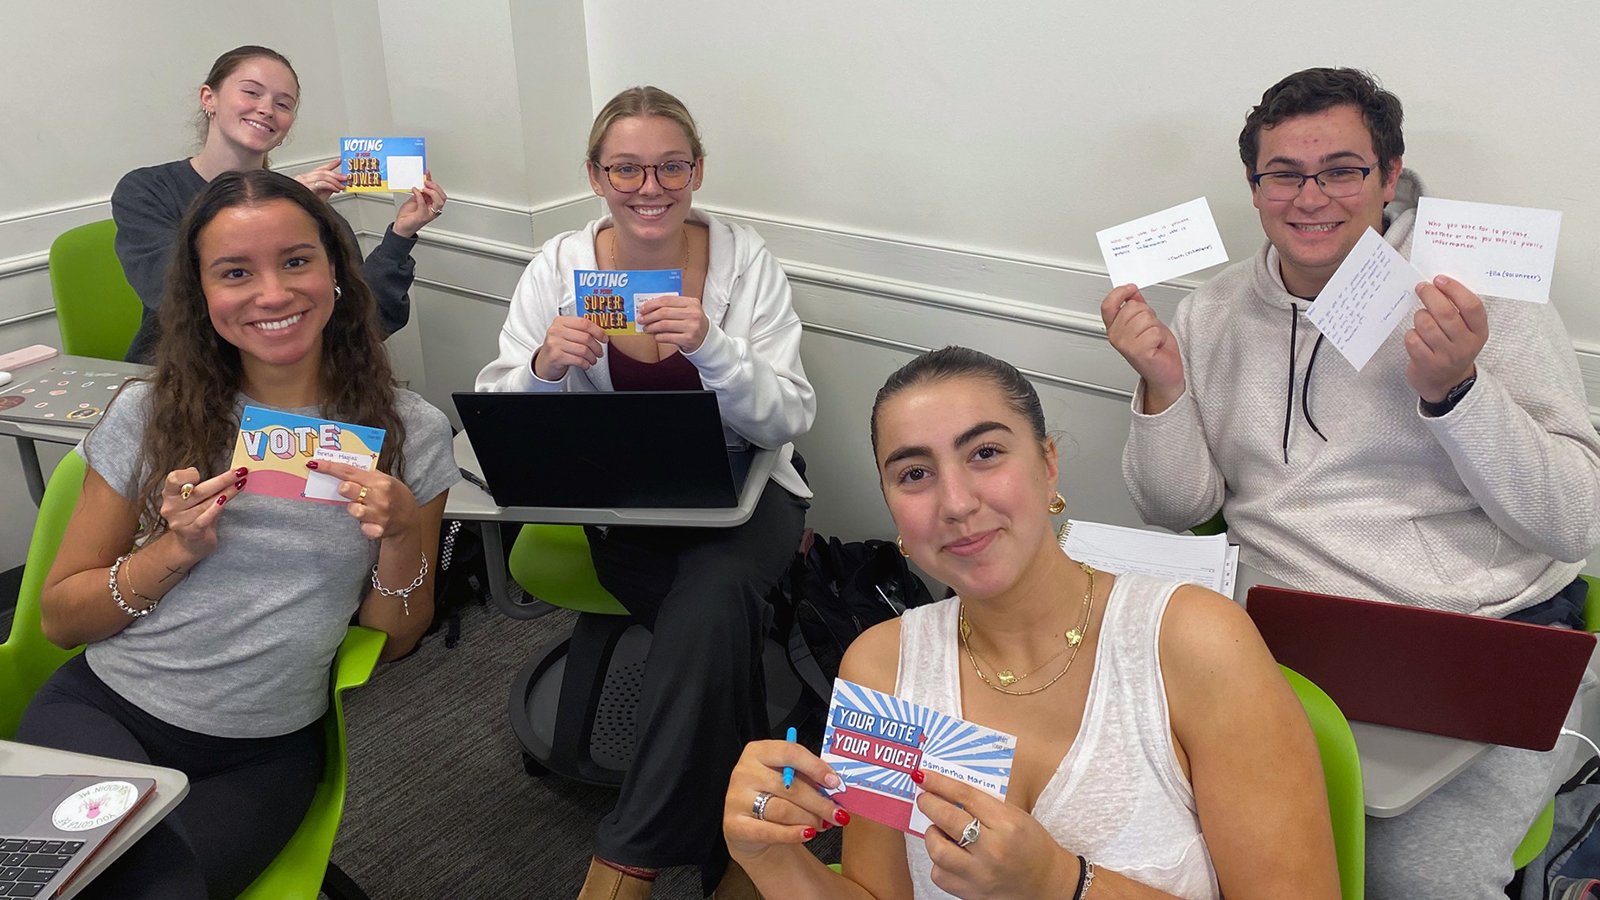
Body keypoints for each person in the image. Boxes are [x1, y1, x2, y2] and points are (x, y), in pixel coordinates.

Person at [1101, 67, 1600, 898]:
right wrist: (1163, 386)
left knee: (1410, 879)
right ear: (1255, 187)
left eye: (1341, 170)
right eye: (1284, 175)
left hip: (1473, 642)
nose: (1311, 198)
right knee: (1163, 830)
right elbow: (1175, 506)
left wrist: (1460, 392)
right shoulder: (1212, 314)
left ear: (1389, 178)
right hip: (1278, 644)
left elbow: (1577, 521)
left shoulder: (1483, 300)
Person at [723, 346, 1341, 900]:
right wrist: (772, 859)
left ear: (1048, 465)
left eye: (985, 453)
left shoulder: (1196, 642)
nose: (957, 502)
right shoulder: (884, 665)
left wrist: (1059, 884)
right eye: (915, 474)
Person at [16, 169, 457, 900]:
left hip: (263, 751)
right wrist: (174, 551)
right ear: (202, 294)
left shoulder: (411, 432)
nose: (274, 294)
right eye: (235, 272)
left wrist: (404, 531)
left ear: (336, 271)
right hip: (107, 711)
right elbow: (61, 620)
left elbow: (398, 637)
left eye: (295, 261)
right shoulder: (150, 413)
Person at [476, 86, 815, 899]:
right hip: (622, 500)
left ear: (697, 170)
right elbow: (495, 415)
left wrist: (714, 349)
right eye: (625, 168)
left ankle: (626, 857)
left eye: (669, 166)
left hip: (749, 485)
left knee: (718, 590)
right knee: (717, 619)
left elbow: (789, 415)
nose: (649, 187)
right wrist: (541, 369)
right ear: (595, 175)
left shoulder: (743, 259)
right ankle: (739, 846)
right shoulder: (559, 266)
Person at [113, 44, 449, 364]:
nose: (266, 109)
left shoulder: (307, 207)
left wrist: (401, 235)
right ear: (208, 98)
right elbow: (175, 297)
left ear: (286, 128)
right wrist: (272, 213)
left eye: (284, 104)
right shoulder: (146, 191)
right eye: (251, 92)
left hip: (294, 387)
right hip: (187, 376)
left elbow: (368, 322)